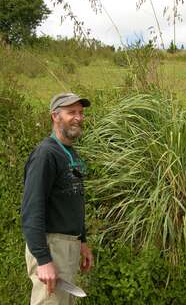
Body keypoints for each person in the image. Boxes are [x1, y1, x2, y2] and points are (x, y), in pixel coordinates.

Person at [21, 92, 94, 304]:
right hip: (51, 246)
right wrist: (43, 260)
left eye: (81, 113)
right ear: (55, 116)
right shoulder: (45, 154)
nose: (79, 117)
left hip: (68, 246)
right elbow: (32, 209)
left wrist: (82, 241)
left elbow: (72, 202)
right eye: (71, 112)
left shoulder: (70, 154)